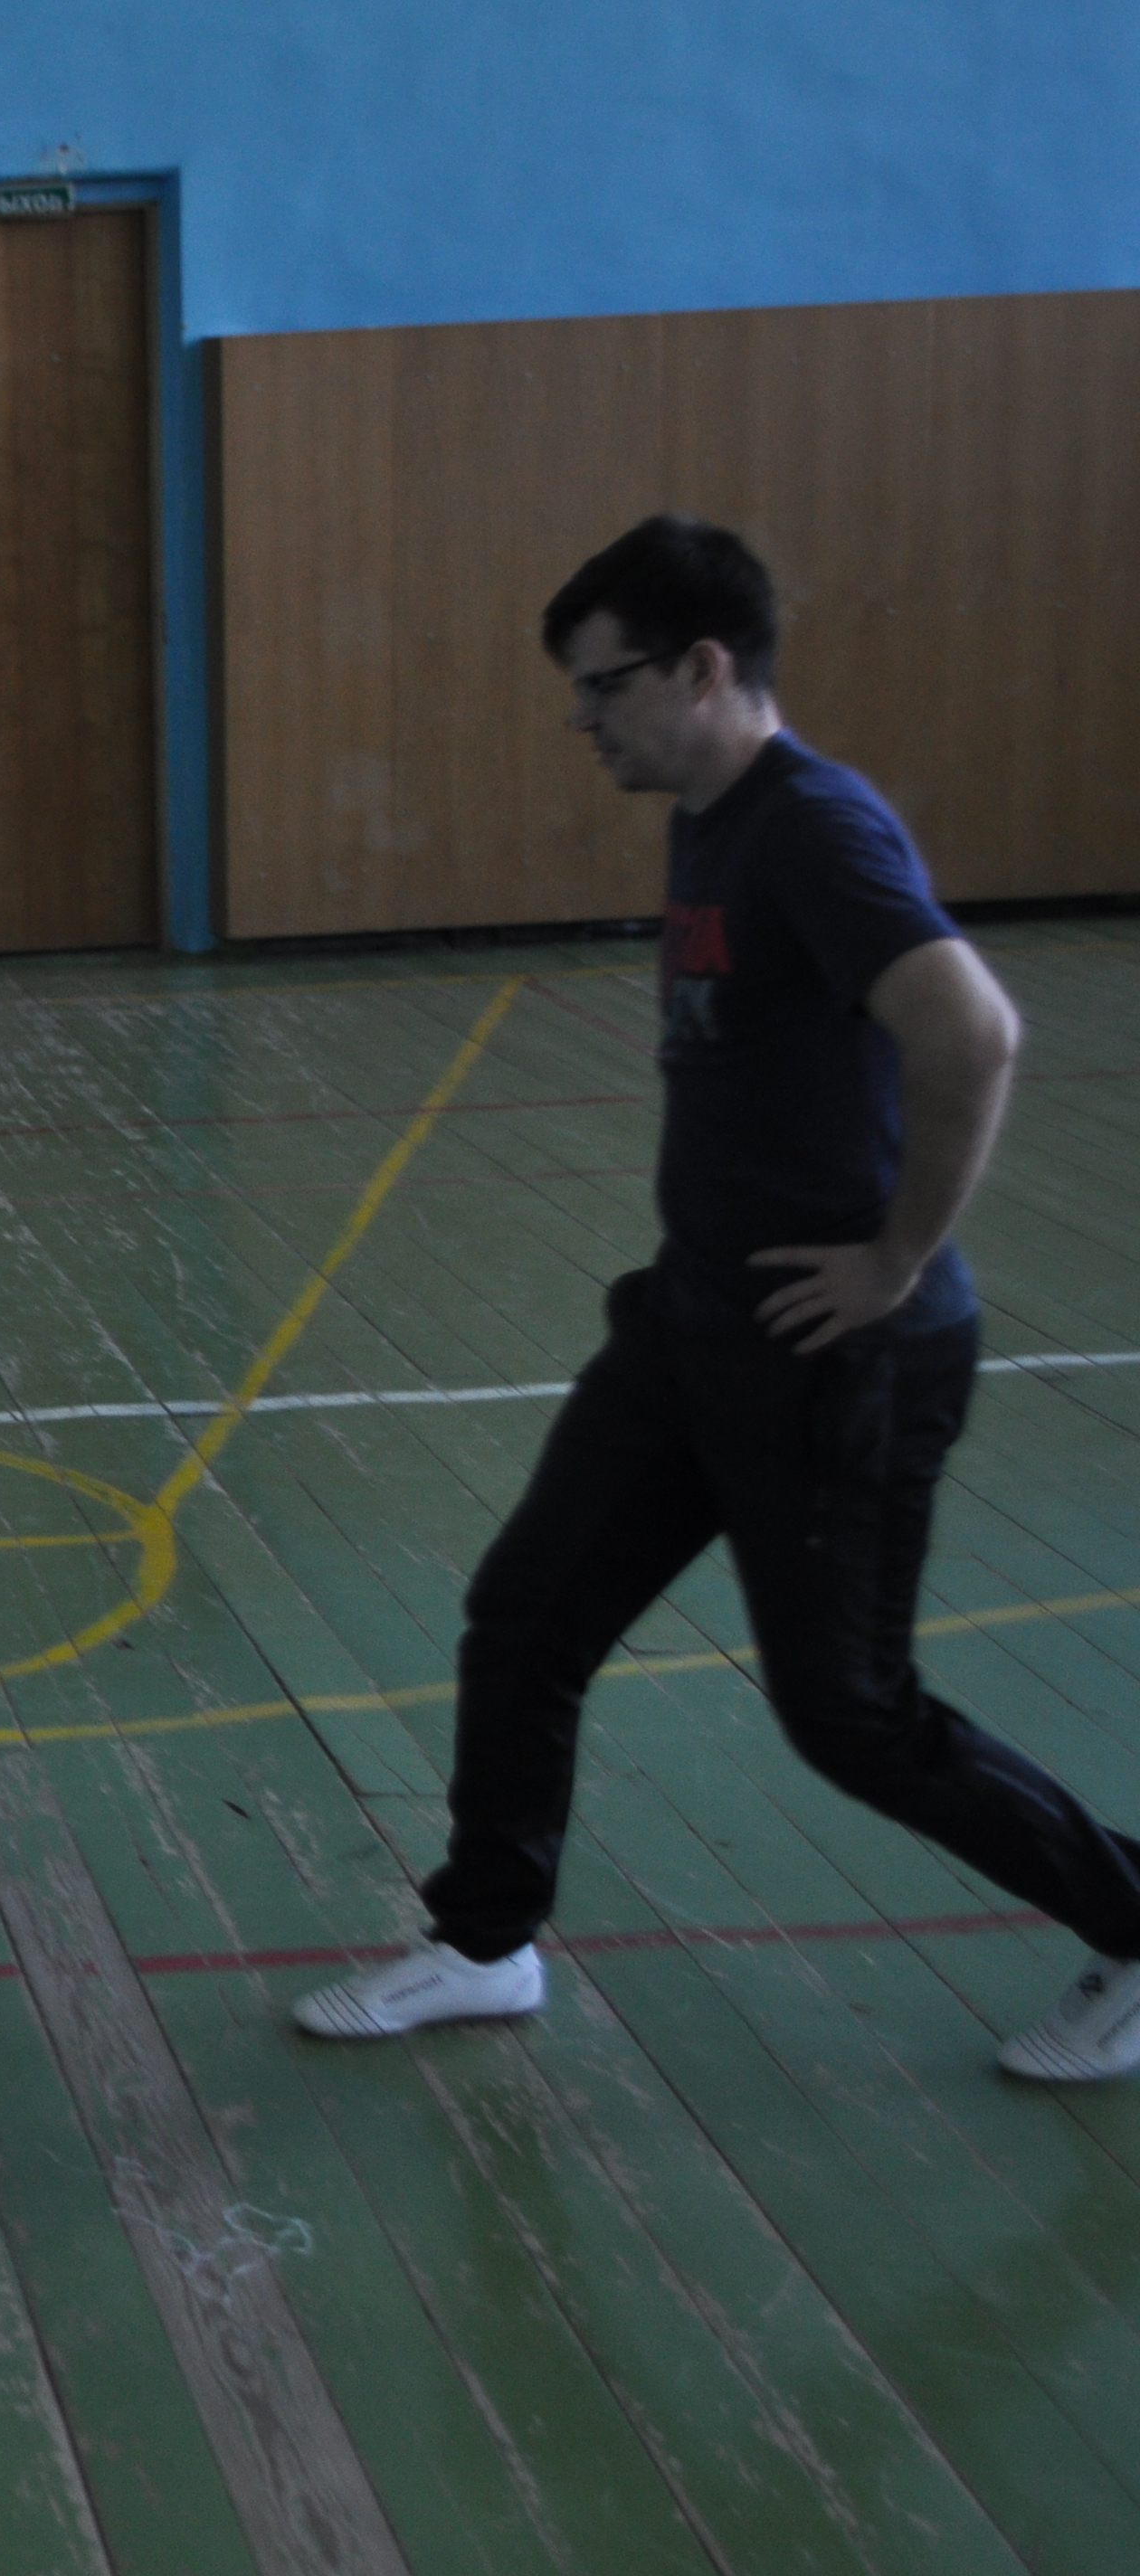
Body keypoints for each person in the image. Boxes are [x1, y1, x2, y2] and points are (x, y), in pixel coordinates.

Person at [292, 515, 1140, 2083]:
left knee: (852, 1715)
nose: (582, 720)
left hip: (836, 1353)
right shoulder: (710, 815)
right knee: (528, 1611)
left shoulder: (813, 826)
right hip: (691, 1325)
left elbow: (973, 1030)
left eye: (601, 685)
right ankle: (482, 1943)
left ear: (701, 668)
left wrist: (893, 1257)